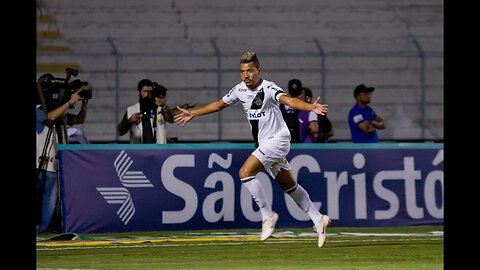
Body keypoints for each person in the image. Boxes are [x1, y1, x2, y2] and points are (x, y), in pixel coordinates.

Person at [174, 52, 332, 248]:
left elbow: (289, 101)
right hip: (265, 144)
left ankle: (268, 216)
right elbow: (218, 104)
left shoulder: (269, 88)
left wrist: (310, 107)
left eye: (250, 71)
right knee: (289, 186)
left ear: (259, 71)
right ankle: (319, 218)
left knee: (245, 172)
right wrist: (193, 113)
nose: (246, 75)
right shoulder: (239, 90)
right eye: (242, 71)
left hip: (278, 140)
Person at [36, 73, 87, 233]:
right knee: (47, 196)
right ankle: (43, 226)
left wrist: (84, 103)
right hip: (41, 160)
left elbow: (79, 120)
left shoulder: (60, 111)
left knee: (53, 196)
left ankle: (48, 226)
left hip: (56, 160)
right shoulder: (38, 109)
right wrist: (69, 102)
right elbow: (50, 116)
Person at [117, 79, 195, 144]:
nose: (148, 94)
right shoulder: (132, 110)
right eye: (145, 91)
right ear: (139, 92)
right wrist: (129, 121)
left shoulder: (159, 108)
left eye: (150, 92)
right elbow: (119, 132)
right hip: (138, 153)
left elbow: (171, 119)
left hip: (159, 153)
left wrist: (166, 105)